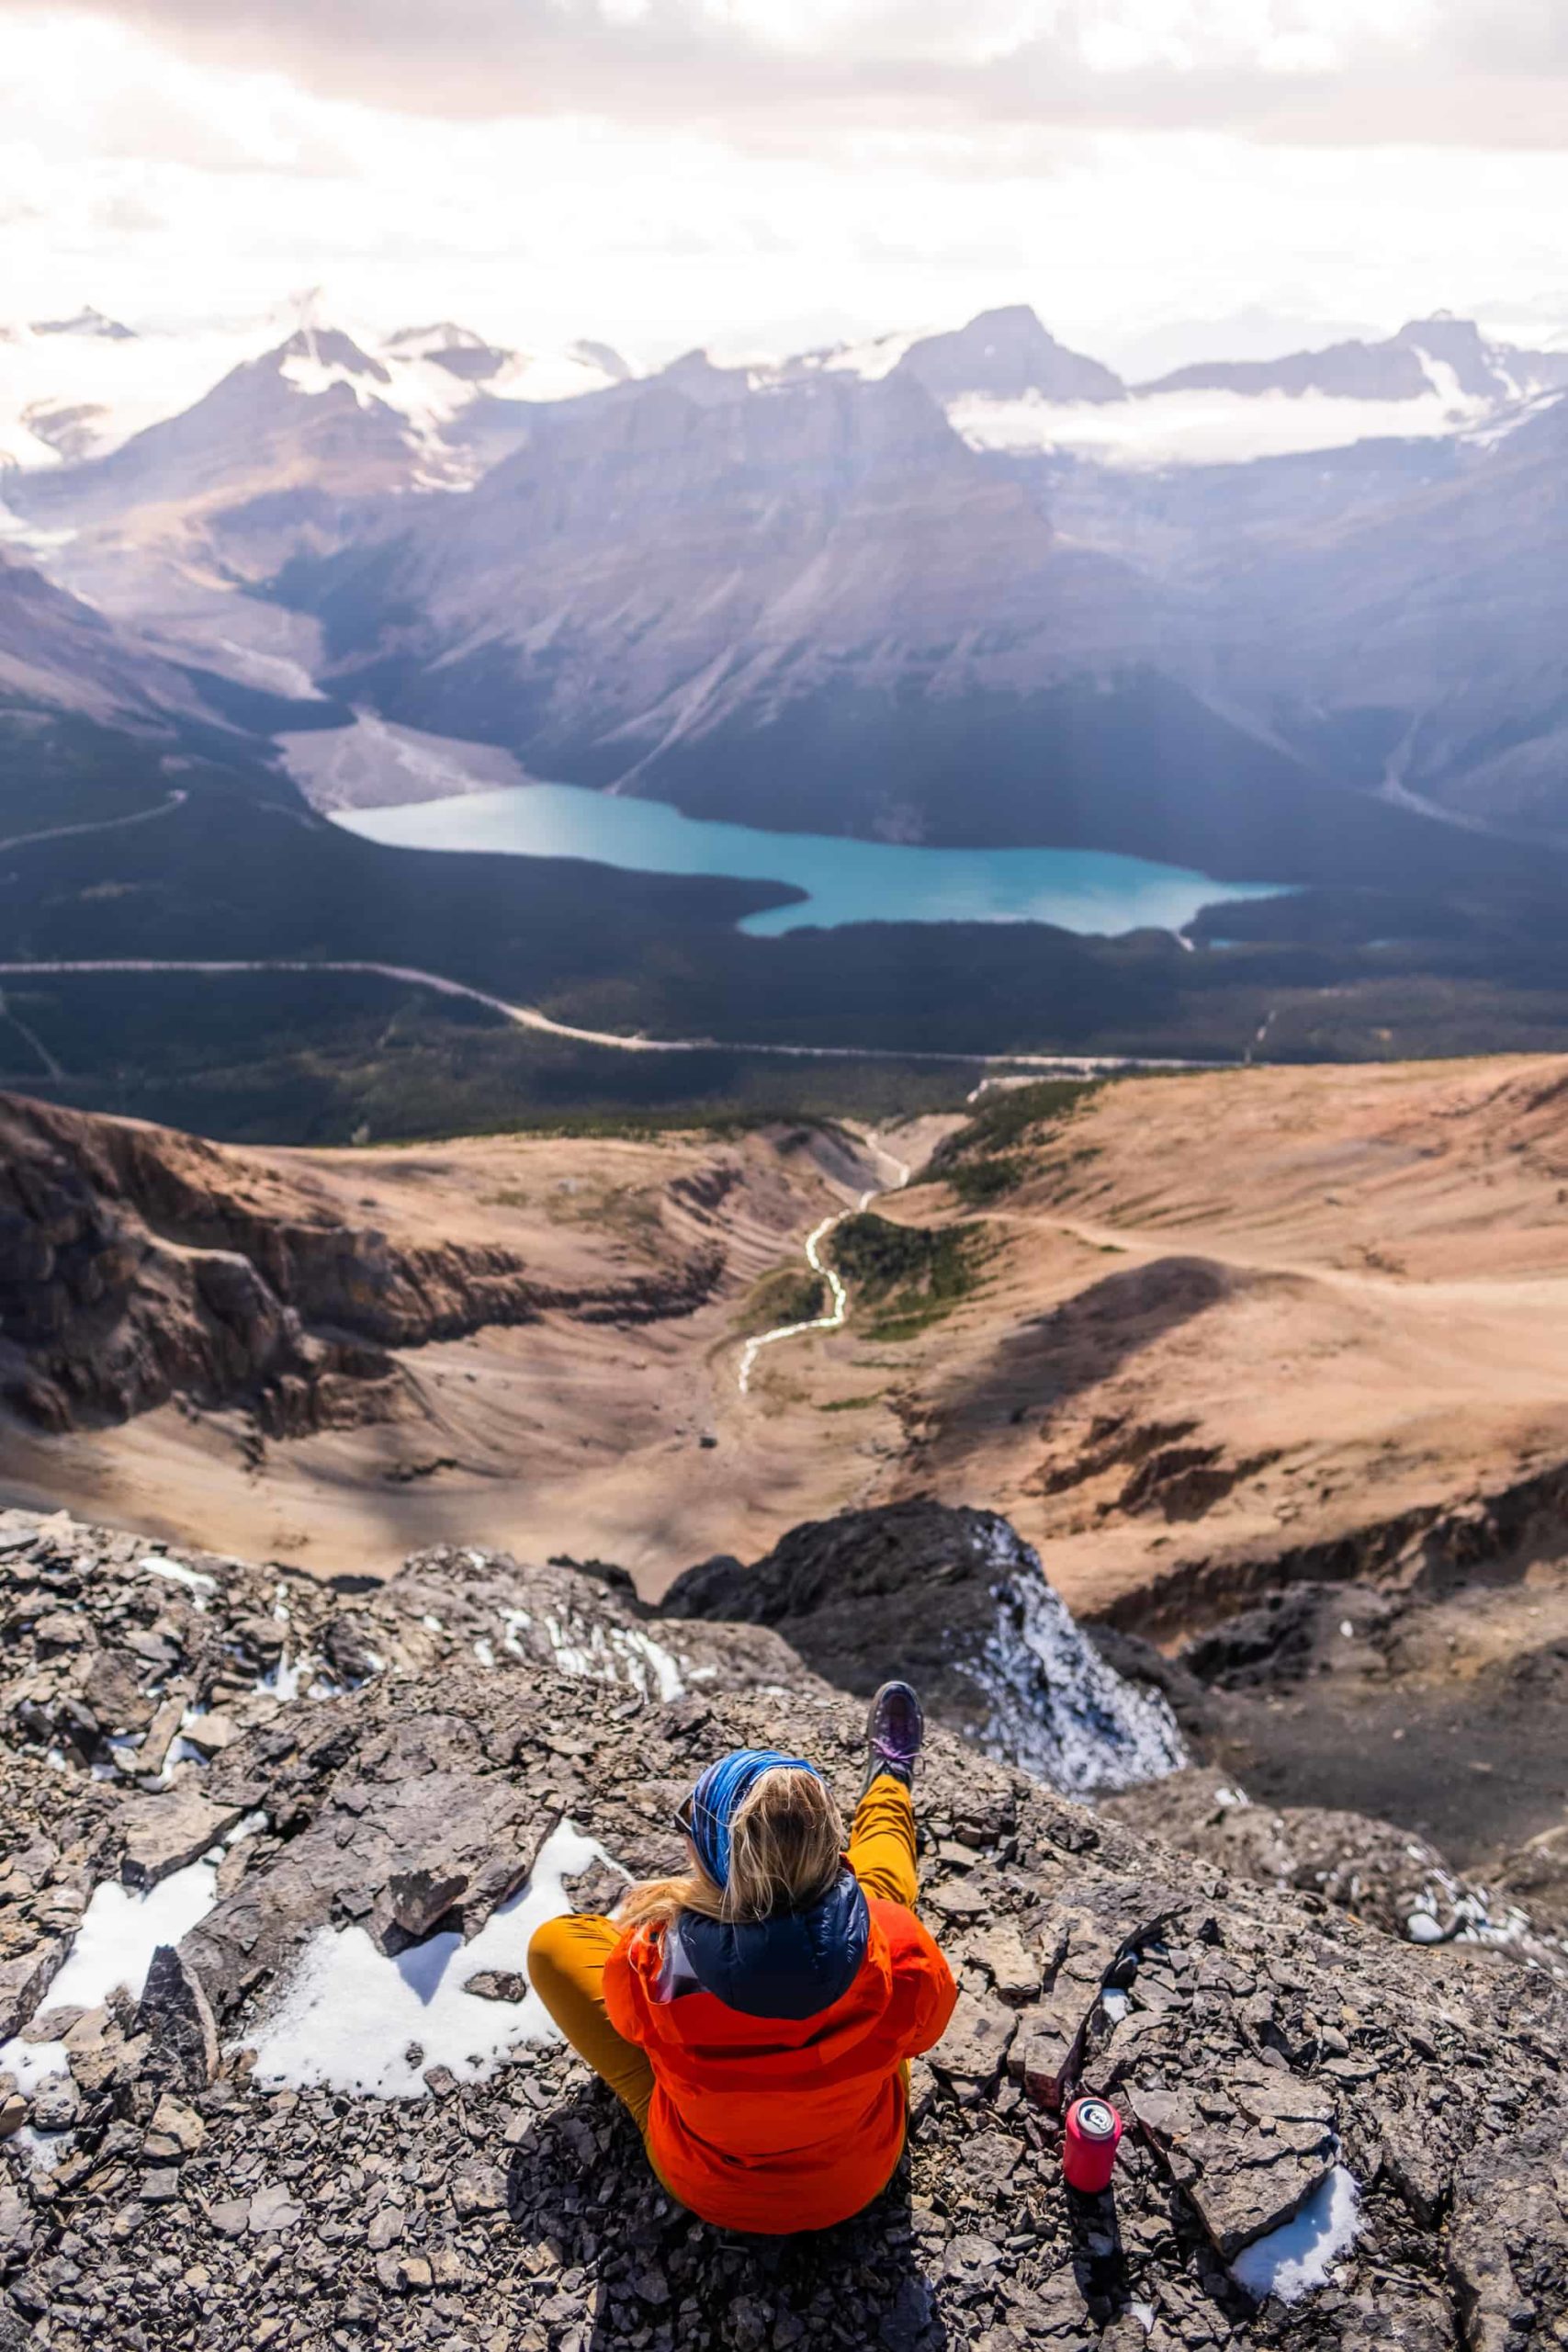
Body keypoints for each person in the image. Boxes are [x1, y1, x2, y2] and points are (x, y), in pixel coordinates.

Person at [527, 1681, 957, 2234]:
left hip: (707, 2185)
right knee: (881, 1886)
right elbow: (924, 2034)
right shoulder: (900, 1945)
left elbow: (632, 2028)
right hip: (858, 2175)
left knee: (551, 1946)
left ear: (712, 1855)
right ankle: (890, 1782)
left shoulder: (652, 1962)